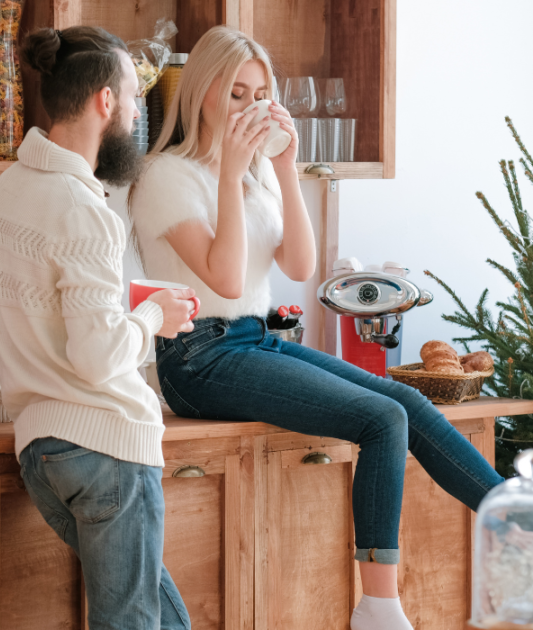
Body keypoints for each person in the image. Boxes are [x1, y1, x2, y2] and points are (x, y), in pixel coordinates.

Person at [127, 25, 507, 630]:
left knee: (404, 398)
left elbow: (300, 267)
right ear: (201, 92)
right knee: (382, 419)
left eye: (259, 95)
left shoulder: (254, 180)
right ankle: (379, 607)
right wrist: (228, 171)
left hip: (252, 340)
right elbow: (224, 279)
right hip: (195, 358)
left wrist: (283, 168)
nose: (250, 108)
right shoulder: (166, 177)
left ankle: (513, 524)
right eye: (235, 94)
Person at [0, 25, 197, 630]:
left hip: (43, 453)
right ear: (104, 100)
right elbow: (99, 356)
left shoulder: (10, 191)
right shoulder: (84, 210)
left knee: (156, 616)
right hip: (108, 451)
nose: (135, 113)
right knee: (132, 621)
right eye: (130, 96)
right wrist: (156, 316)